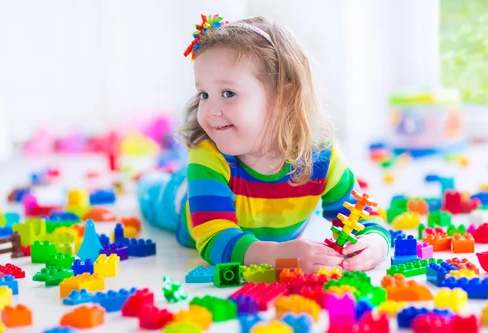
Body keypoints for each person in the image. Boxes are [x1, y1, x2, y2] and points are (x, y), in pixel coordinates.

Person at [138, 14, 390, 273]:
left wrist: (374, 244)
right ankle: (149, 179)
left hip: (249, 207)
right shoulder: (208, 155)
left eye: (228, 93)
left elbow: (365, 217)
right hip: (182, 203)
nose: (210, 110)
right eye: (204, 94)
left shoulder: (320, 154)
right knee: (154, 193)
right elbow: (214, 239)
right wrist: (279, 255)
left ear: (284, 96)